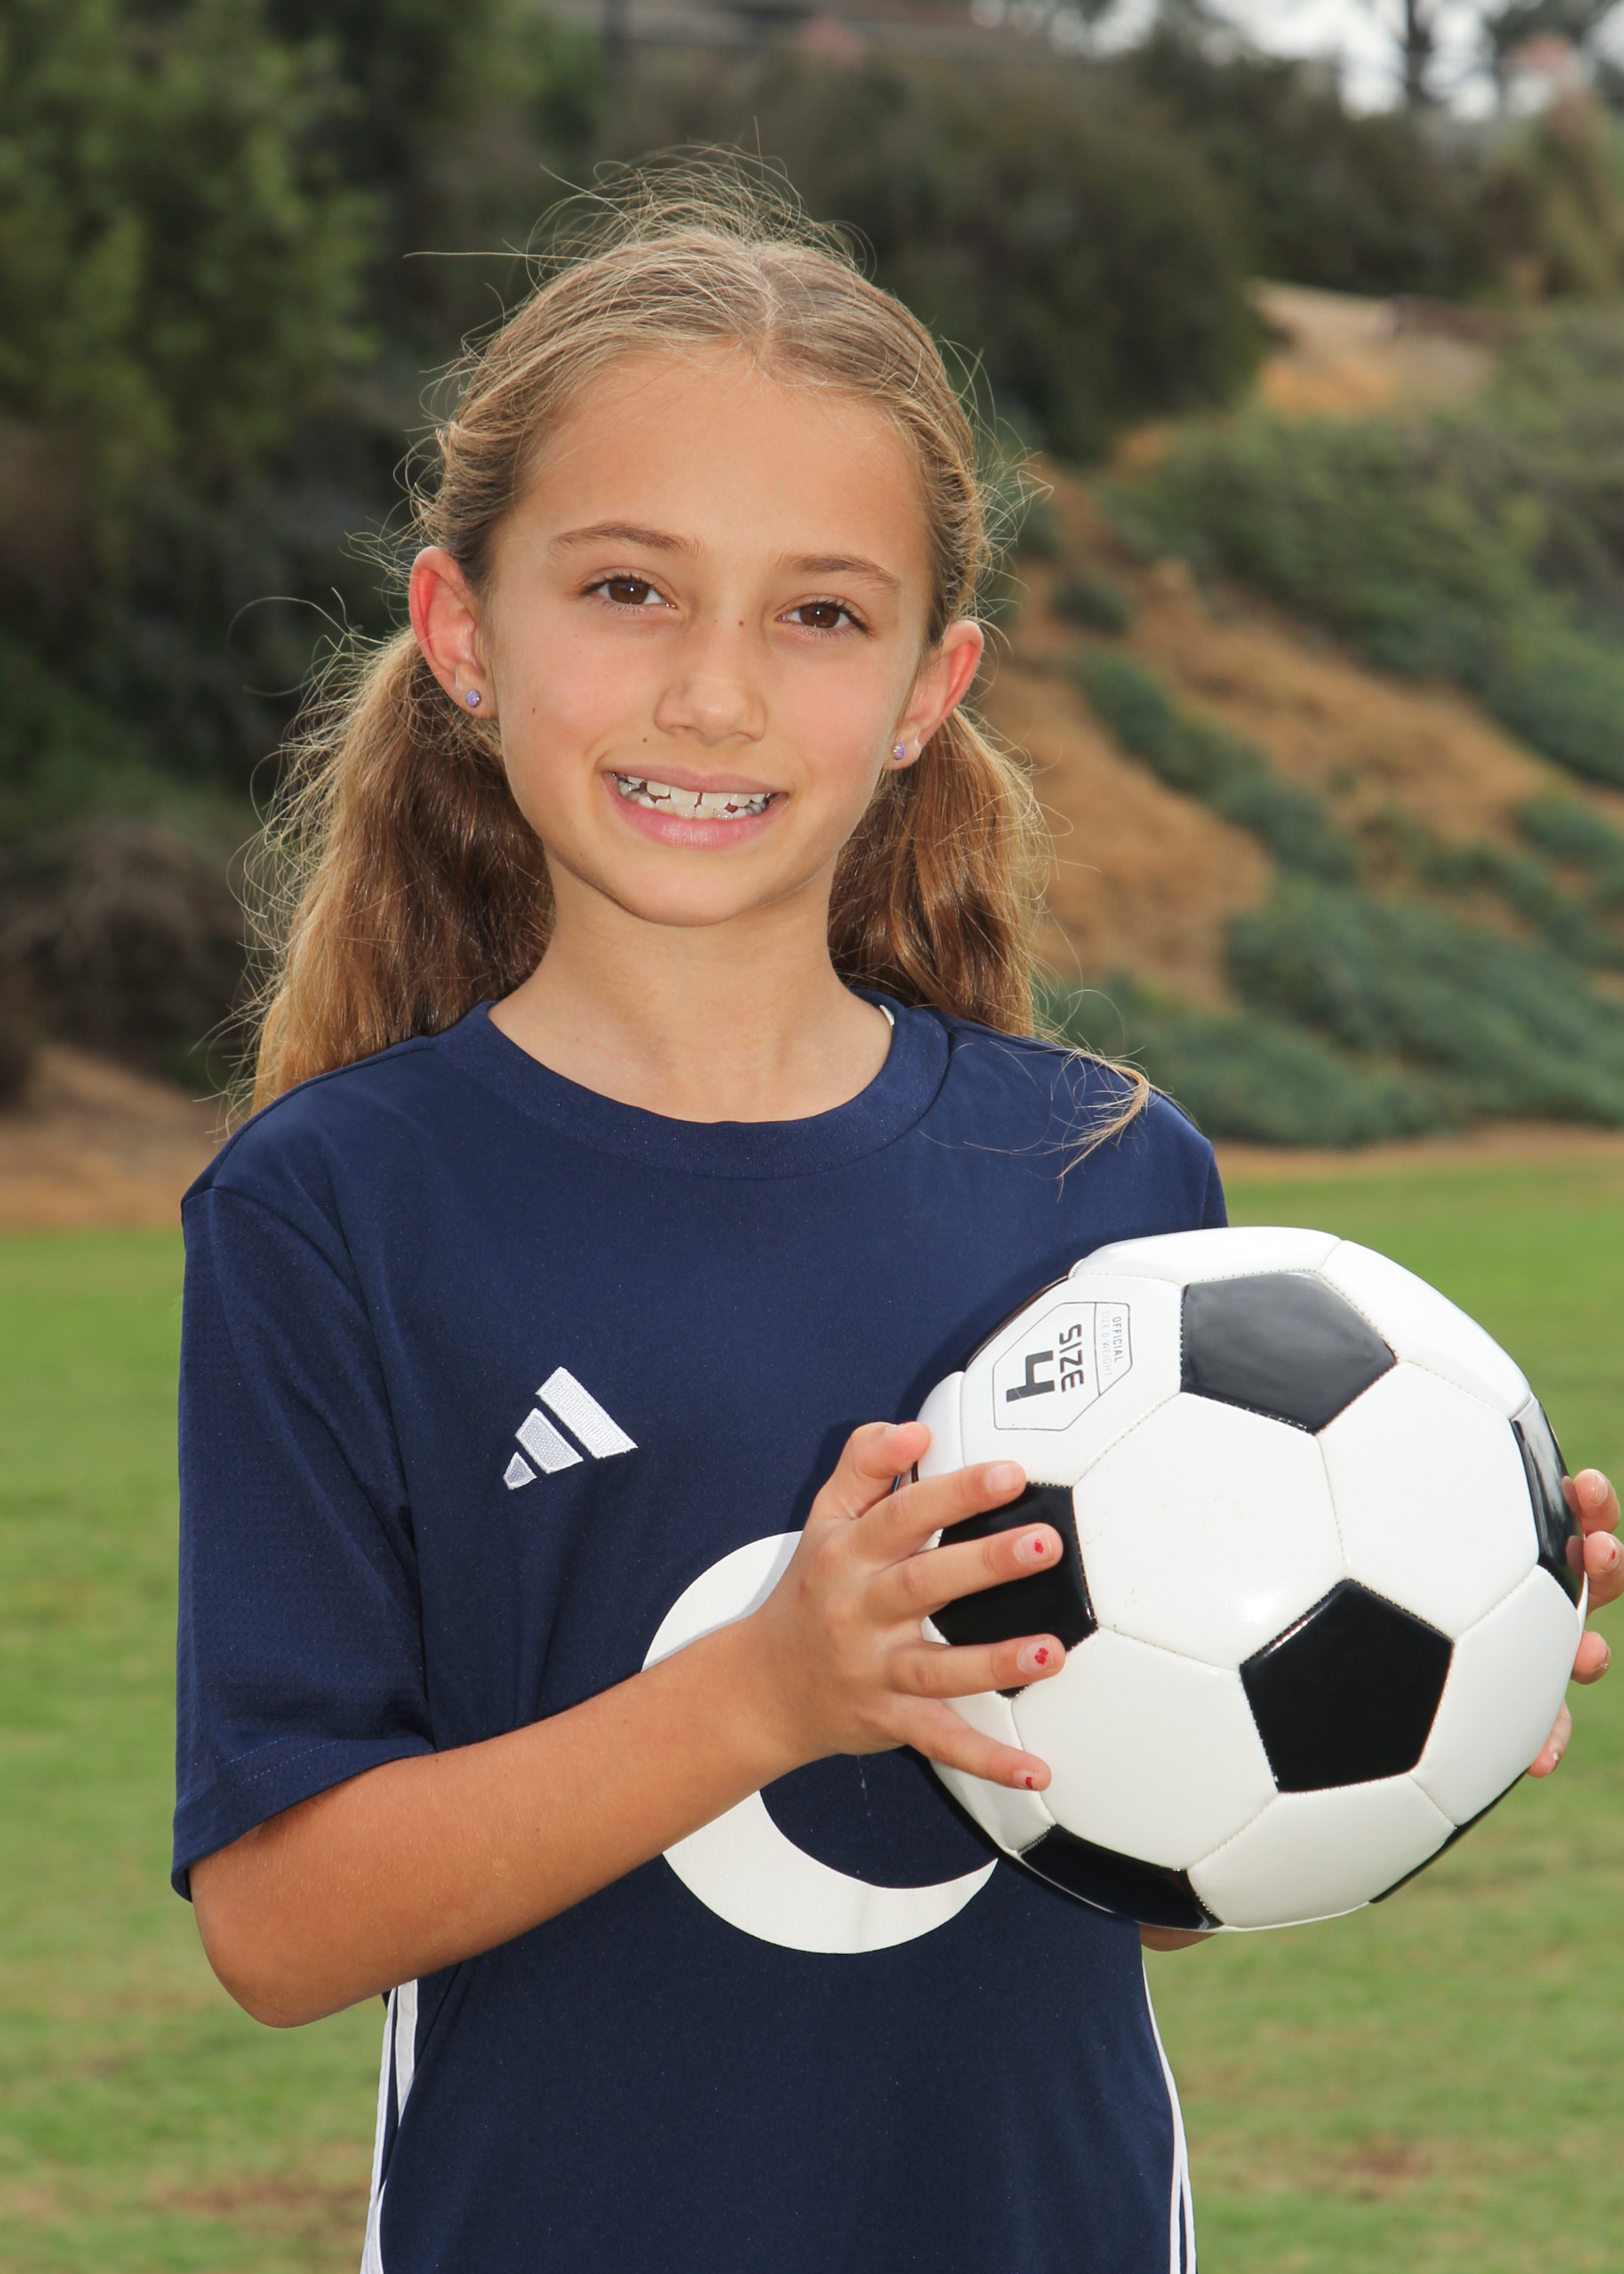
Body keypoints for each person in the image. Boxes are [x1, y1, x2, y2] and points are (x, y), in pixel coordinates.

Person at [173, 172, 1621, 2274]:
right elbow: (280, 1921)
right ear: (463, 631)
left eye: (821, 614)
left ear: (934, 687)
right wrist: (766, 1694)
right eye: (629, 589)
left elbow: (1128, 1847)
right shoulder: (334, 1210)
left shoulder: (1106, 1181)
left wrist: (1428, 1663)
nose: (716, 692)